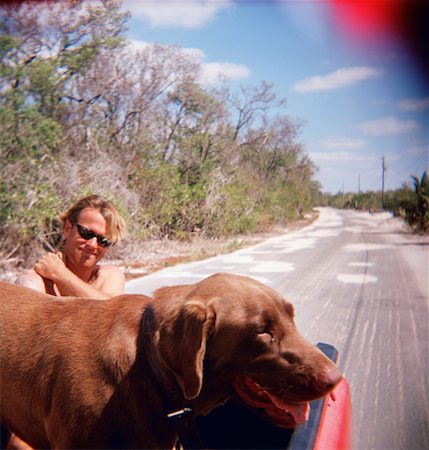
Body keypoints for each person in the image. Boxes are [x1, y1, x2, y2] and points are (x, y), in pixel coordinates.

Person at [15, 194, 126, 298]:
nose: (92, 245)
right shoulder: (34, 283)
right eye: (86, 233)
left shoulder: (108, 277)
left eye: (103, 240)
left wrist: (59, 274)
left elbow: (107, 311)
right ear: (67, 229)